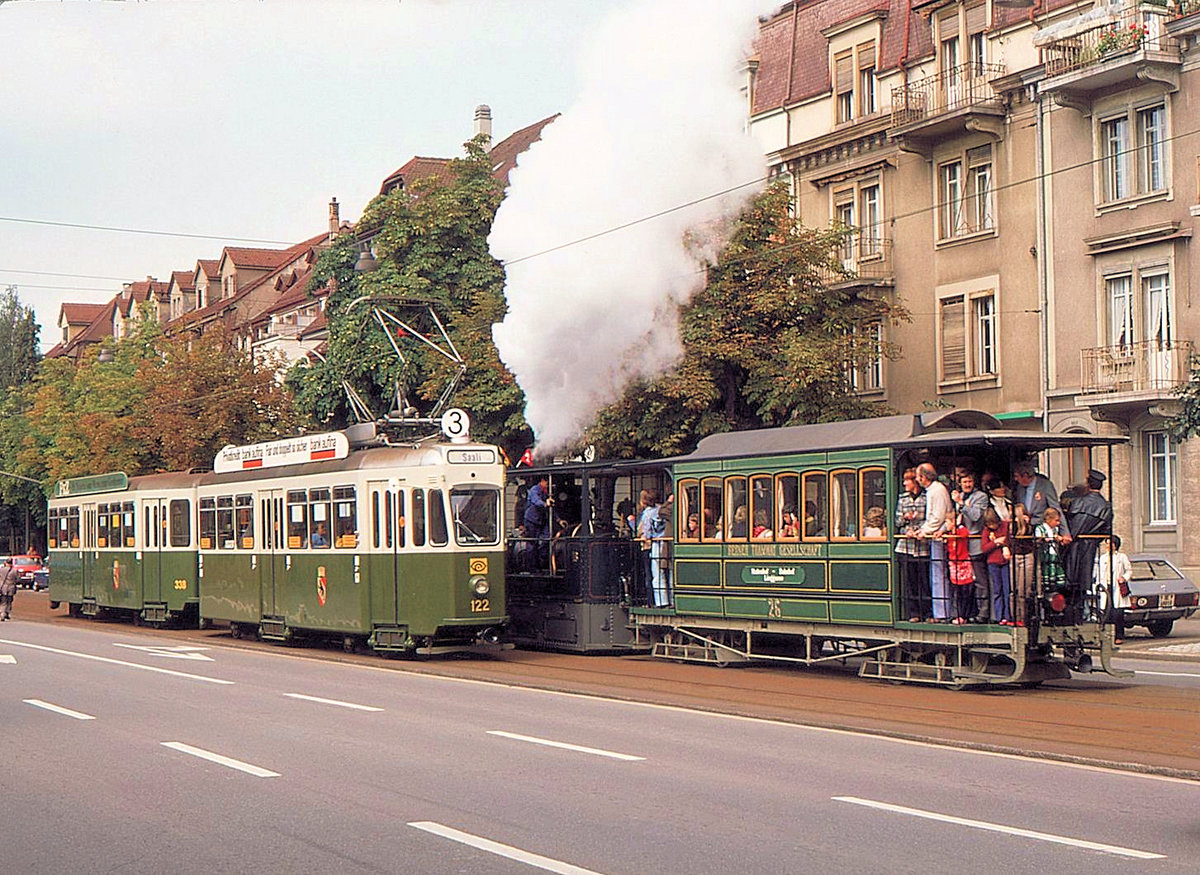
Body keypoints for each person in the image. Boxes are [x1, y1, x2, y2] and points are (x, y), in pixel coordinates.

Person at [1065, 469, 1113, 621]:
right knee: (1084, 580)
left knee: (1071, 579)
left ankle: (1073, 611)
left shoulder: (1078, 502)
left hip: (1073, 546)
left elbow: (1070, 525)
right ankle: (1083, 611)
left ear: (1088, 483)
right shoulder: (1105, 506)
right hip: (1090, 547)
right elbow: (1106, 529)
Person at [916, 462, 953, 621]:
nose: (917, 480)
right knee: (936, 573)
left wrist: (924, 531)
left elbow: (937, 516)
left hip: (938, 536)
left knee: (938, 574)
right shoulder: (933, 490)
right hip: (936, 533)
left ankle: (942, 612)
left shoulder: (936, 491)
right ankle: (940, 611)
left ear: (924, 477)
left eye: (918, 476)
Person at [954, 471, 991, 623]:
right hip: (960, 546)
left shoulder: (981, 497)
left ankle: (983, 613)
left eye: (969, 481)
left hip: (975, 545)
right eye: (964, 482)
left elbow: (976, 516)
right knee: (963, 583)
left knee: (980, 582)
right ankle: (965, 613)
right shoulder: (959, 497)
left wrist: (962, 505)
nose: (967, 485)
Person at [895, 468, 930, 622]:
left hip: (922, 546)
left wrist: (920, 529)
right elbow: (897, 522)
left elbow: (930, 518)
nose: (904, 483)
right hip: (906, 546)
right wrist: (905, 520)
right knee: (910, 582)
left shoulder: (926, 497)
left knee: (924, 580)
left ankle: (927, 612)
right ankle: (914, 613)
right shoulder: (902, 499)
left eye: (907, 481)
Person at [1094, 534, 1132, 644]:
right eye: (1106, 543)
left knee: (1118, 614)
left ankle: (1119, 636)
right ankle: (1106, 636)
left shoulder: (1121, 557)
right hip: (1105, 587)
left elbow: (1129, 571)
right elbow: (1098, 573)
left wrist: (1123, 578)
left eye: (1110, 543)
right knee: (1106, 613)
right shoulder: (1103, 558)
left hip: (1117, 587)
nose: (1108, 546)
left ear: (1115, 545)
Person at [981, 507, 1013, 625]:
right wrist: (995, 542)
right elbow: (984, 548)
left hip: (1005, 562)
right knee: (997, 590)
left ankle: (1008, 616)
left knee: (1007, 589)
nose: (993, 526)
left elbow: (1007, 539)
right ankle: (999, 617)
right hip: (993, 563)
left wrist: (1003, 544)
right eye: (990, 524)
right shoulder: (986, 531)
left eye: (994, 523)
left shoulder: (1005, 525)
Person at [1036, 507, 1069, 593]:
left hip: (1054, 555)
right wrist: (1045, 539)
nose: (1058, 523)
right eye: (1056, 520)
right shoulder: (1040, 528)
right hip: (1045, 556)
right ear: (1049, 519)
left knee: (1056, 574)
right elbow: (1038, 540)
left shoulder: (1055, 530)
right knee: (1046, 573)